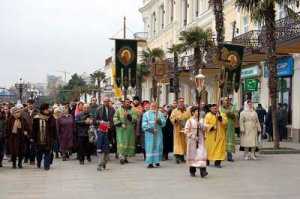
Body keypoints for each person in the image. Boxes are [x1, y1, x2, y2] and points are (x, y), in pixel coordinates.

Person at [184, 106, 208, 177]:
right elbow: (186, 131)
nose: (198, 113)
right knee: (193, 156)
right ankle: (192, 171)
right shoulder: (189, 121)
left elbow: (205, 128)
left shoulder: (201, 120)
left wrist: (201, 125)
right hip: (192, 141)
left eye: (199, 111)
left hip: (200, 140)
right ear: (192, 112)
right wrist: (193, 136)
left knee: (201, 155)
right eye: (197, 111)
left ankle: (203, 171)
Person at [32, 103, 56, 170]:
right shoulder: (36, 118)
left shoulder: (51, 117)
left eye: (48, 109)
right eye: (46, 109)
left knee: (47, 152)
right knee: (39, 153)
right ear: (42, 110)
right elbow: (34, 129)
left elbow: (54, 128)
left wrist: (54, 137)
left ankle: (46, 166)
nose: (48, 110)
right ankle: (39, 162)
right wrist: (33, 137)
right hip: (39, 138)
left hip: (48, 139)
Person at [142, 101, 166, 168]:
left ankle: (157, 161)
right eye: (152, 106)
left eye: (155, 106)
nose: (153, 107)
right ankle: (150, 162)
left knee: (158, 147)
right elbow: (144, 125)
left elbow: (164, 123)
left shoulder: (160, 113)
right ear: (150, 106)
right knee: (150, 148)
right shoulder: (146, 114)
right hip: (150, 135)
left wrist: (159, 121)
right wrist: (151, 130)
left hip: (158, 134)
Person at [113, 98, 137, 164]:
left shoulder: (133, 110)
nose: (127, 103)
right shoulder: (119, 110)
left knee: (128, 143)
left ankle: (125, 157)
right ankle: (121, 157)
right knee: (121, 143)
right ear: (124, 103)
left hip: (129, 130)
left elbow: (135, 119)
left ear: (130, 103)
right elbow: (115, 118)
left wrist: (128, 116)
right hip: (121, 130)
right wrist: (120, 124)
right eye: (126, 102)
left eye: (128, 102)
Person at [204, 104, 227, 168]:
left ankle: (217, 162)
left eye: (216, 108)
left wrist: (220, 118)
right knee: (209, 149)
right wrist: (212, 127)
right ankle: (207, 160)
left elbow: (225, 122)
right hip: (211, 136)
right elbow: (205, 124)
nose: (215, 110)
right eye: (213, 108)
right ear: (210, 109)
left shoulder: (222, 114)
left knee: (219, 150)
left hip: (220, 135)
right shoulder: (208, 115)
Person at [95, 97, 115, 171]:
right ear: (102, 102)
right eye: (104, 101)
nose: (106, 103)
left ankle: (104, 163)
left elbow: (114, 119)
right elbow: (95, 120)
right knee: (100, 148)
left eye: (107, 101)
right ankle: (99, 165)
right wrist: (100, 122)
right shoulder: (99, 109)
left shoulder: (112, 109)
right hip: (101, 131)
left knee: (107, 149)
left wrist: (110, 125)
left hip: (109, 131)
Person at [170, 97, 191, 164]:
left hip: (185, 129)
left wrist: (187, 123)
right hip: (177, 129)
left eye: (182, 101)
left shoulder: (187, 111)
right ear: (178, 103)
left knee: (184, 143)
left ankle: (182, 156)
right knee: (177, 143)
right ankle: (177, 156)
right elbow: (172, 118)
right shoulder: (174, 111)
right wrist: (176, 120)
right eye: (180, 102)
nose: (181, 103)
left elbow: (189, 118)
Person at [22, 99, 39, 164]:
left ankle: (32, 160)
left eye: (32, 104)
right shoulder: (23, 112)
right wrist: (23, 130)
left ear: (34, 104)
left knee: (33, 147)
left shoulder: (37, 112)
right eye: (29, 104)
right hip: (26, 131)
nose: (30, 105)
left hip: (34, 132)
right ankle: (26, 158)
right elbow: (22, 122)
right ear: (27, 104)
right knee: (26, 146)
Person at [220, 97, 237, 162]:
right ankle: (221, 155)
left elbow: (236, 115)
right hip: (222, 126)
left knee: (229, 141)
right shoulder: (220, 108)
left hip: (230, 126)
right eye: (225, 100)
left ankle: (229, 156)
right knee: (222, 140)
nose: (227, 102)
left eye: (228, 100)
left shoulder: (233, 107)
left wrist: (232, 114)